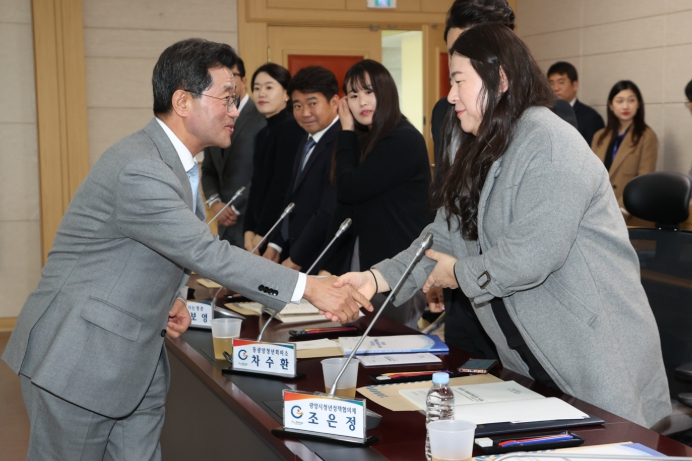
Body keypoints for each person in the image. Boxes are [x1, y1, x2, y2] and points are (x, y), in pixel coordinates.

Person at [2, 39, 371, 460]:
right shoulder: (141, 166)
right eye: (227, 99)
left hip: (136, 360)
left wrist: (172, 295)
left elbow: (154, 248)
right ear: (182, 101)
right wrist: (309, 287)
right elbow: (205, 252)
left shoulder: (176, 164)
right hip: (81, 359)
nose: (235, 111)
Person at [337, 24, 670, 428]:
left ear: (500, 79)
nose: (450, 96)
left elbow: (533, 255)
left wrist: (457, 274)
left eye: (459, 81)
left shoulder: (550, 144)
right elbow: (440, 238)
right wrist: (374, 280)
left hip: (592, 357)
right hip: (530, 362)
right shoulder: (484, 146)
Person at [320, 59, 434, 329]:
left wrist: (346, 131)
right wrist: (327, 266)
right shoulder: (368, 139)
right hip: (368, 262)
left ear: (386, 92)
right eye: (353, 95)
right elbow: (345, 206)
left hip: (399, 268)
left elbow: (349, 188)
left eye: (369, 92)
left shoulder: (402, 139)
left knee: (393, 342)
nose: (361, 102)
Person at [262, 66, 340, 272]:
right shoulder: (306, 139)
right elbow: (292, 198)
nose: (305, 113)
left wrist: (296, 257)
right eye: (297, 105)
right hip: (295, 252)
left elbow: (328, 210)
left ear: (334, 102)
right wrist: (275, 244)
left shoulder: (342, 143)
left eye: (312, 103)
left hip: (321, 260)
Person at [202, 57, 266, 247]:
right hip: (223, 223)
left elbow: (265, 174)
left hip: (252, 222)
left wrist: (235, 208)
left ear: (244, 80)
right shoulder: (214, 118)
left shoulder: (263, 118)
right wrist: (215, 203)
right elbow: (209, 170)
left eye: (232, 75)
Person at [243, 63, 305, 253]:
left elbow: (281, 187)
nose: (261, 93)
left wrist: (262, 232)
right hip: (261, 229)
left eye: (269, 87)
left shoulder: (291, 128)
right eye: (256, 88)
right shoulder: (263, 133)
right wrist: (248, 229)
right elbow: (257, 185)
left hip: (280, 233)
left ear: (286, 93)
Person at [591, 80, 658, 223]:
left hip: (630, 214)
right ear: (611, 105)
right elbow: (592, 176)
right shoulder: (599, 137)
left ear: (638, 104)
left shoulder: (647, 136)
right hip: (599, 213)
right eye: (620, 101)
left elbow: (643, 180)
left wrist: (618, 212)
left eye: (631, 100)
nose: (625, 106)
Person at [548, 61, 604, 146]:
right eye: (551, 83)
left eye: (561, 82)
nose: (555, 88)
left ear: (575, 85)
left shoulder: (591, 118)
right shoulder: (546, 114)